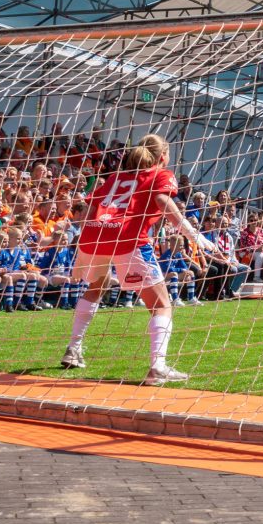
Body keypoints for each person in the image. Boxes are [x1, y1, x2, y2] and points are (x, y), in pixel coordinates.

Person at [60, 134, 224, 383]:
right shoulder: (160, 173)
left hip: (93, 237)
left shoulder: (115, 177)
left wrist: (86, 241)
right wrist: (195, 236)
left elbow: (91, 209)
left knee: (97, 286)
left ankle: (73, 348)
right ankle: (157, 367)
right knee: (161, 304)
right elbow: (162, 200)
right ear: (162, 156)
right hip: (128, 239)